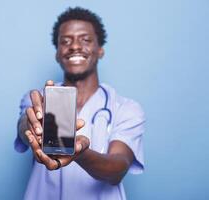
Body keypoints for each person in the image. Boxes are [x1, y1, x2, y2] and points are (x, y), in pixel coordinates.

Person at [14, 7, 145, 200]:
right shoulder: (38, 100)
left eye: (85, 39)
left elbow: (117, 169)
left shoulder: (126, 109)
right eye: (65, 41)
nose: (74, 46)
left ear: (100, 50)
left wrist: (78, 154)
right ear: (57, 54)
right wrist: (33, 124)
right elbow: (24, 126)